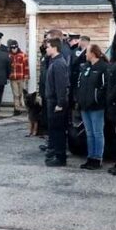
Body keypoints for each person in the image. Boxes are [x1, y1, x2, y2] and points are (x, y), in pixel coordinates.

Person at [77, 44, 108, 170]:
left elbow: (105, 87)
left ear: (93, 53)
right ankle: (90, 157)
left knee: (97, 132)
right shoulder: (85, 67)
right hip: (85, 106)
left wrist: (97, 98)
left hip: (96, 107)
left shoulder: (103, 68)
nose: (85, 54)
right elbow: (79, 84)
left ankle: (97, 158)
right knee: (89, 133)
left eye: (87, 52)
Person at [43, 38, 70, 167]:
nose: (46, 49)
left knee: (58, 130)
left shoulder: (59, 63)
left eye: (48, 47)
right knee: (54, 129)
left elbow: (61, 86)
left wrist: (60, 103)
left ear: (54, 48)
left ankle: (60, 157)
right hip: (52, 100)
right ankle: (55, 153)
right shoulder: (53, 61)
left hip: (56, 102)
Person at [8, 40, 29, 116]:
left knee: (21, 94)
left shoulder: (23, 55)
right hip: (13, 78)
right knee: (15, 94)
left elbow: (26, 66)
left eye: (15, 47)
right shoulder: (9, 56)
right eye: (12, 48)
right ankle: (16, 109)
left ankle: (21, 107)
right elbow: (7, 67)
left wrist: (26, 76)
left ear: (17, 47)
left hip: (21, 77)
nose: (14, 49)